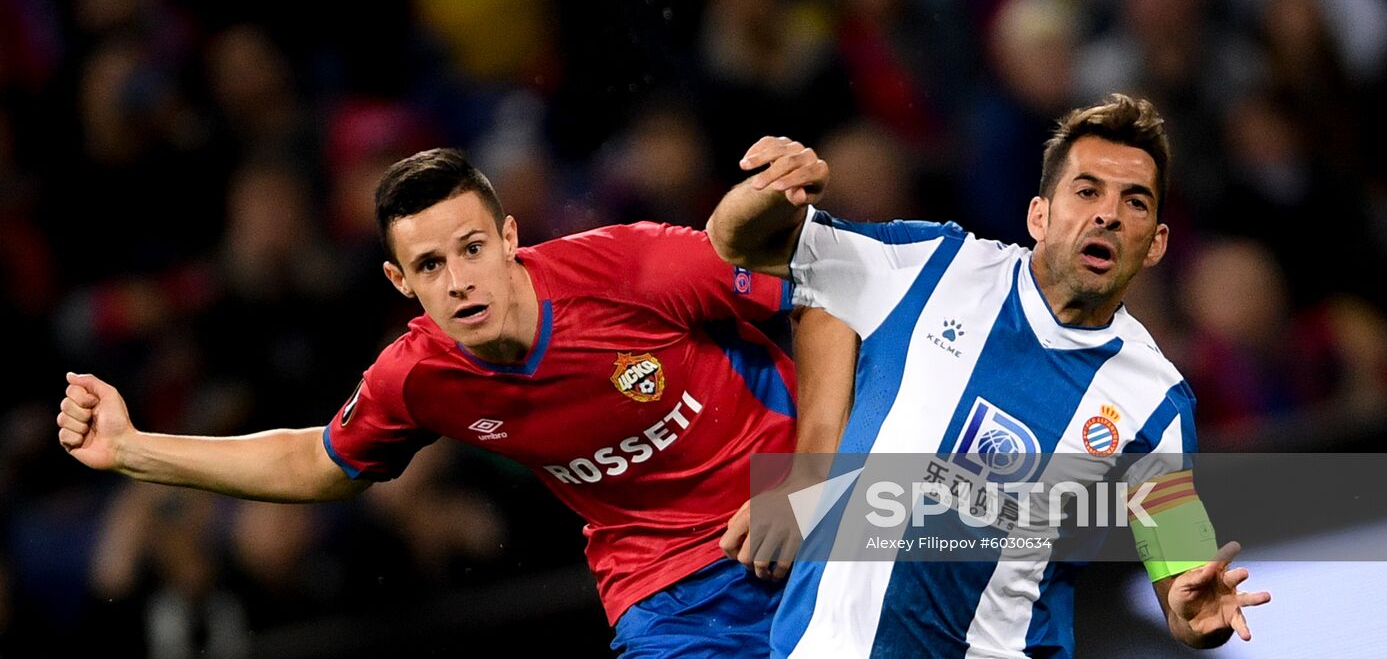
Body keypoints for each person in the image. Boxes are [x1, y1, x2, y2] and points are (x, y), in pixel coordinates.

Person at [57, 147, 857, 658]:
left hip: (835, 499)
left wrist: (808, 472)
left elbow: (830, 287)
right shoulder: (417, 376)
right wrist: (132, 449)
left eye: (472, 248)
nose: (459, 279)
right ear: (401, 284)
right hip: (672, 589)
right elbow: (317, 461)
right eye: (430, 265)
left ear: (509, 238)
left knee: (986, 513)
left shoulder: (635, 270)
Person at [706, 94, 1271, 657]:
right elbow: (736, 241)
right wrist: (771, 192)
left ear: (1156, 244)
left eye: (1136, 202)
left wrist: (1195, 613)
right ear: (1039, 216)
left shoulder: (1154, 400)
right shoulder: (931, 265)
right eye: (1087, 190)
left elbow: (1181, 572)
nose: (1109, 214)